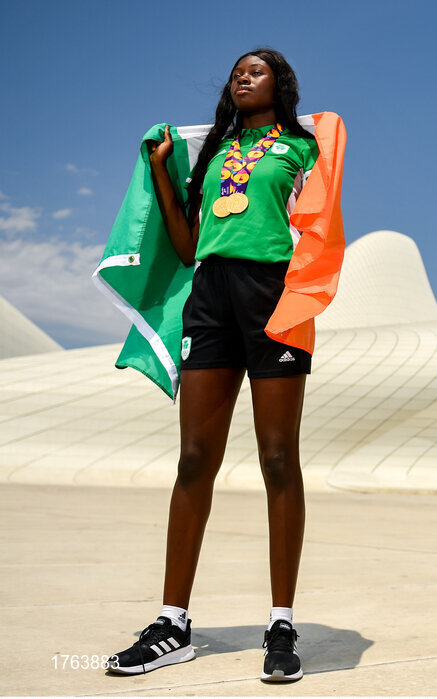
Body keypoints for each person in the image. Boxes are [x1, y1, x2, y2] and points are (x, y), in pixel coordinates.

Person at [108, 48, 338, 683]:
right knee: (192, 459)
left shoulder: (303, 148)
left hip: (275, 298)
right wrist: (160, 171)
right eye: (238, 70)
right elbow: (186, 246)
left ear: (281, 85)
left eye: (257, 70)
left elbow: (318, 223)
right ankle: (172, 624)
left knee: (276, 459)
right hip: (209, 298)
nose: (242, 75)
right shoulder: (210, 156)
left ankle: (282, 623)